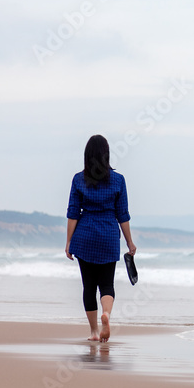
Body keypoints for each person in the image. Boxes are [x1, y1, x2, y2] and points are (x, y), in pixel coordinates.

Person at [65, 135, 136, 342]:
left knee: (88, 287)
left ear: (87, 155)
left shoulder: (79, 179)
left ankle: (94, 332)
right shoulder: (118, 180)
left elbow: (73, 212)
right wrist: (130, 242)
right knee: (107, 284)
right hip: (108, 236)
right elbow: (123, 214)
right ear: (107, 155)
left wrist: (69, 242)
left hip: (84, 235)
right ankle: (107, 314)